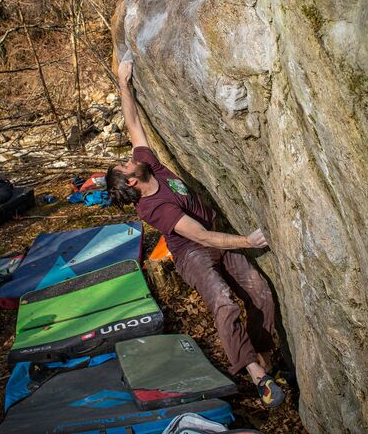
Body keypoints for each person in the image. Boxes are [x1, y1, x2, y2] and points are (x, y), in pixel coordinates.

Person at [106, 60, 285, 408]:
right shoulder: (154, 208)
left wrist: (123, 84)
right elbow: (201, 238)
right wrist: (247, 242)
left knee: (261, 292)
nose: (129, 159)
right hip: (192, 253)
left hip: (213, 236)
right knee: (223, 302)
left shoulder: (150, 164)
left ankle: (263, 356)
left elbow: (132, 123)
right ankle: (255, 374)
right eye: (125, 165)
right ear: (132, 181)